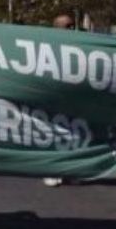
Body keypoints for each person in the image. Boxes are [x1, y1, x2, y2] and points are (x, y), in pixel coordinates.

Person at [42, 13, 75, 188]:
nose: (71, 29)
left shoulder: (78, 44)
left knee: (70, 133)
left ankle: (66, 170)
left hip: (70, 96)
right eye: (67, 26)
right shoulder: (47, 45)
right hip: (53, 95)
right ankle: (51, 170)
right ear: (56, 27)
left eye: (72, 25)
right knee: (52, 133)